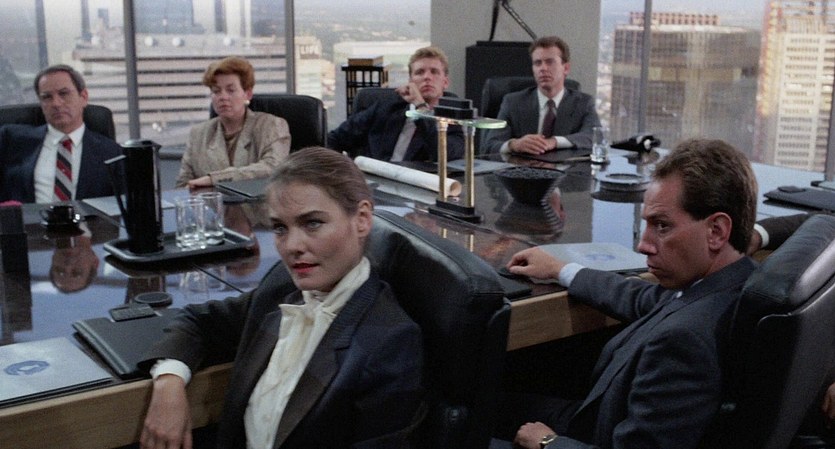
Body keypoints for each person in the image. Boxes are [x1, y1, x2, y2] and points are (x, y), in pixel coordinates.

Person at [139, 147, 425, 449]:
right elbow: (197, 321)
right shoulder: (281, 286)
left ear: (362, 219)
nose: (291, 246)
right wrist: (169, 382)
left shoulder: (390, 342)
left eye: (312, 223)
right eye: (280, 228)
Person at [502, 138, 759, 449]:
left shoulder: (685, 341)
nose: (643, 245)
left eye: (662, 226)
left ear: (716, 231)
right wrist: (561, 269)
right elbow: (643, 297)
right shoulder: (733, 282)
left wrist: (548, 443)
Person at [0, 64, 123, 203]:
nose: (56, 103)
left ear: (83, 97)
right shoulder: (12, 140)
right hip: (27, 217)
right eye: (47, 97)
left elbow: (123, 205)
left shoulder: (112, 152)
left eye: (64, 94)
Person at [327, 46, 465, 162]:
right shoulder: (386, 107)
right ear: (410, 81)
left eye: (434, 72)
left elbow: (443, 154)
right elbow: (334, 139)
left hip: (416, 184)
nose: (427, 77)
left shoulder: (453, 120)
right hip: (372, 179)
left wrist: (421, 107)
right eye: (419, 72)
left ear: (445, 82)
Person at [176, 56, 290, 189]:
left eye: (230, 90)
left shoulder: (271, 126)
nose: (223, 97)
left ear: (247, 94)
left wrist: (214, 179)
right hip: (211, 202)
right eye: (216, 91)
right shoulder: (198, 134)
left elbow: (273, 168)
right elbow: (182, 185)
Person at [482, 36, 601, 156]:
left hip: (565, 167)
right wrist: (514, 145)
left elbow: (594, 136)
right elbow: (490, 145)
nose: (543, 68)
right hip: (523, 166)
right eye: (537, 63)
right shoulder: (513, 102)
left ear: (565, 68)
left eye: (550, 62)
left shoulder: (583, 103)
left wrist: (555, 141)